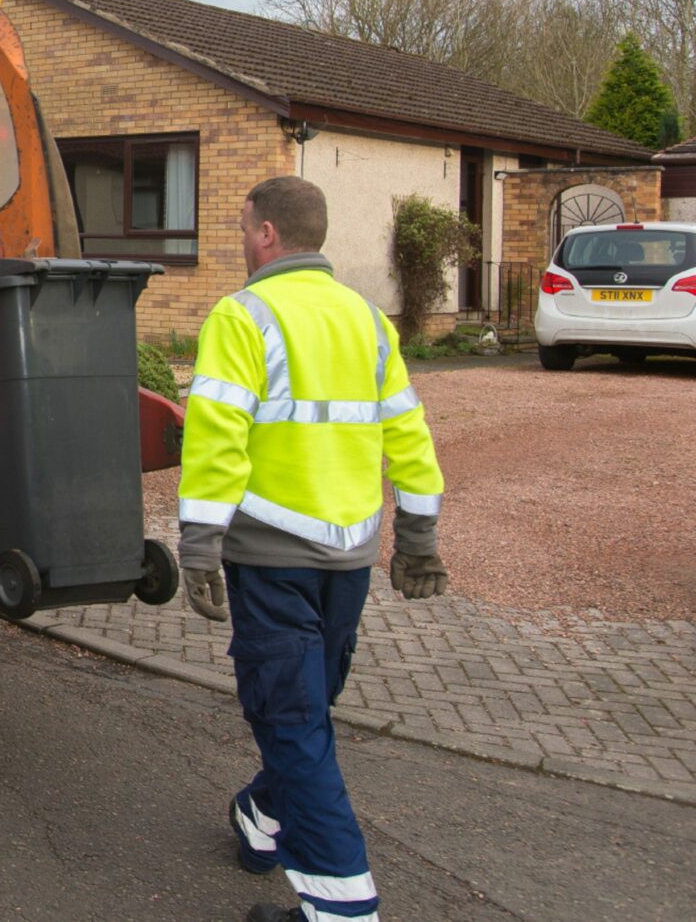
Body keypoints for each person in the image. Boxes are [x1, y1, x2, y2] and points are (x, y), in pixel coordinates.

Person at [177, 175, 449, 922]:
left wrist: (198, 543)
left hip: (271, 558)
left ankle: (341, 906)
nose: (239, 239)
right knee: (305, 711)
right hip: (348, 561)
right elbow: (408, 432)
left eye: (242, 226)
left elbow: (216, 440)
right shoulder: (368, 319)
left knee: (293, 718)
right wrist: (418, 534)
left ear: (266, 232)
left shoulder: (243, 315)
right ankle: (263, 819)